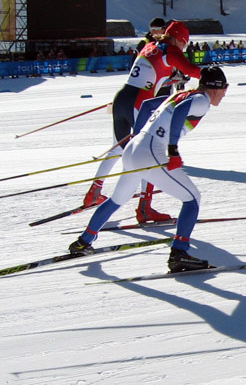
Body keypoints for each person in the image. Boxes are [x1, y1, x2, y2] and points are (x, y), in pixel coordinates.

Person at [69, 65, 229, 273]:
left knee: (117, 199)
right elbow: (181, 111)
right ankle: (179, 253)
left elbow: (146, 106)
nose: (225, 94)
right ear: (216, 88)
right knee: (192, 199)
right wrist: (172, 148)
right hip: (151, 151)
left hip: (134, 149)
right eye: (225, 89)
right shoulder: (201, 100)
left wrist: (139, 134)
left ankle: (83, 242)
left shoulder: (181, 94)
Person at [83, 20, 201, 224]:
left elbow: (152, 75)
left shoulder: (150, 45)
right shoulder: (172, 50)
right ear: (180, 39)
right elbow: (192, 70)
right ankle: (145, 208)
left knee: (118, 149)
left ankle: (94, 191)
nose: (184, 48)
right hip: (140, 101)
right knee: (145, 152)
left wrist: (171, 80)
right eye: (185, 44)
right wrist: (210, 76)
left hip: (123, 97)